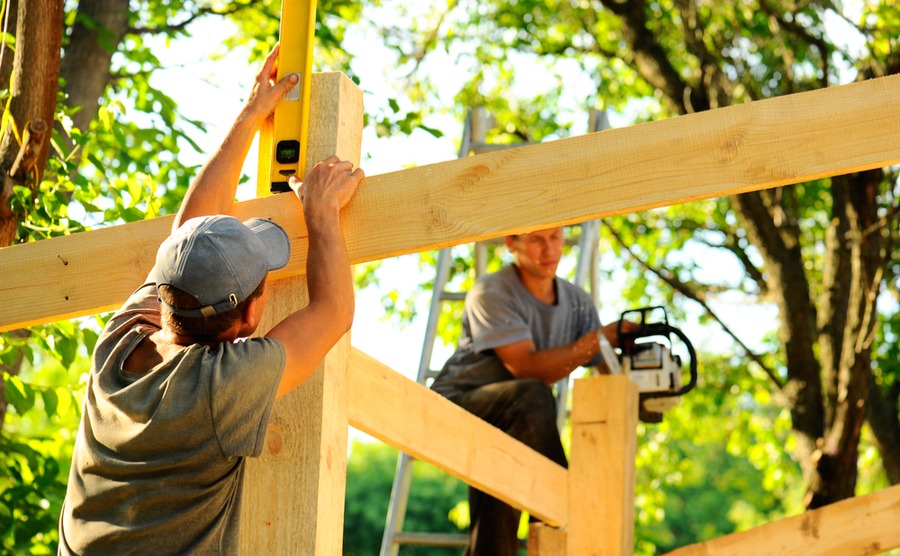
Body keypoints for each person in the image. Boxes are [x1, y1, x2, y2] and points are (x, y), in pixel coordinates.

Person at [58, 44, 365, 554]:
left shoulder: (123, 338)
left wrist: (250, 115)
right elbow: (333, 312)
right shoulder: (223, 386)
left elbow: (184, 240)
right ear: (248, 314)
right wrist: (322, 213)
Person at [430, 226, 626, 556]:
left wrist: (639, 376)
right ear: (511, 243)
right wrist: (599, 339)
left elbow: (608, 370)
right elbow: (526, 367)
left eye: (556, 237)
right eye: (536, 239)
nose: (549, 249)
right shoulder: (491, 291)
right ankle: (563, 510)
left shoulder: (577, 303)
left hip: (514, 422)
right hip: (460, 405)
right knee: (534, 396)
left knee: (504, 480)